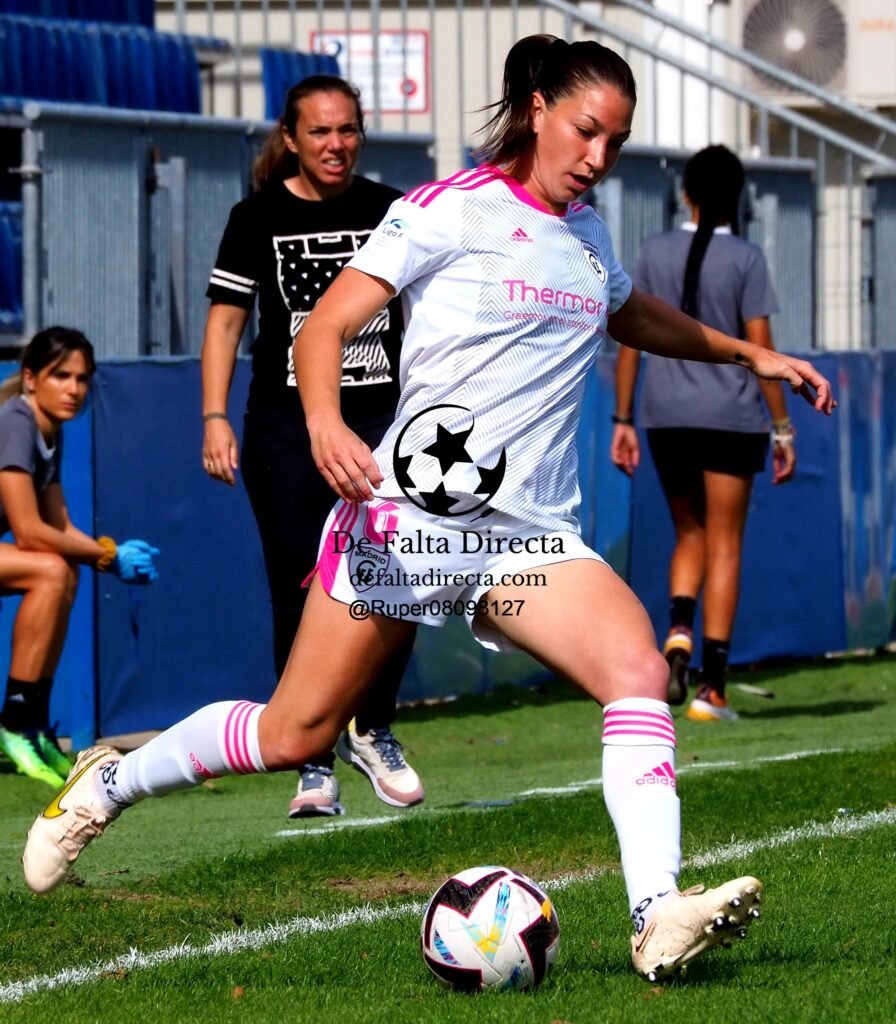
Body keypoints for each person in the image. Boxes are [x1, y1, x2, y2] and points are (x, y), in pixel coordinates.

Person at [23, 37, 835, 983]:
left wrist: (748, 354)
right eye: (585, 131)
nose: (598, 157)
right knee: (295, 734)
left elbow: (626, 312)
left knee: (637, 669)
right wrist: (325, 421)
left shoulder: (590, 231)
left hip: (524, 537)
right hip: (406, 522)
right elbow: (326, 322)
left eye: (616, 140)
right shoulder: (449, 209)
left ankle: (655, 913)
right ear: (536, 109)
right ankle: (108, 785)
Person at [200, 74, 423, 817]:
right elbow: (228, 323)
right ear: (290, 138)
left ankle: (374, 726)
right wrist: (214, 417)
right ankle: (310, 757)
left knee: (404, 581)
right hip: (285, 430)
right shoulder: (254, 216)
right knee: (298, 589)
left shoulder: (393, 209)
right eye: (321, 132)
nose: (337, 145)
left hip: (385, 425)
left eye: (348, 130)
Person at [610, 145, 796, 721]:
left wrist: (622, 419)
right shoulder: (745, 257)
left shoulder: (651, 250)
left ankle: (679, 634)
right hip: (731, 417)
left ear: (685, 192)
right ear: (736, 197)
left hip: (665, 415)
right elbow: (759, 349)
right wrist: (783, 427)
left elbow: (632, 338)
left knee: (687, 534)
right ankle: (712, 689)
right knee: (725, 545)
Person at [0, 327, 158, 788]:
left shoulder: (49, 428)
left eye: (83, 378)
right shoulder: (16, 422)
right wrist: (108, 555)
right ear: (30, 378)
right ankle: (13, 725)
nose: (74, 389)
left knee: (62, 569)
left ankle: (31, 723)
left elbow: (59, 527)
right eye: (61, 376)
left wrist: (102, 553)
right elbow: (30, 533)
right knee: (51, 569)